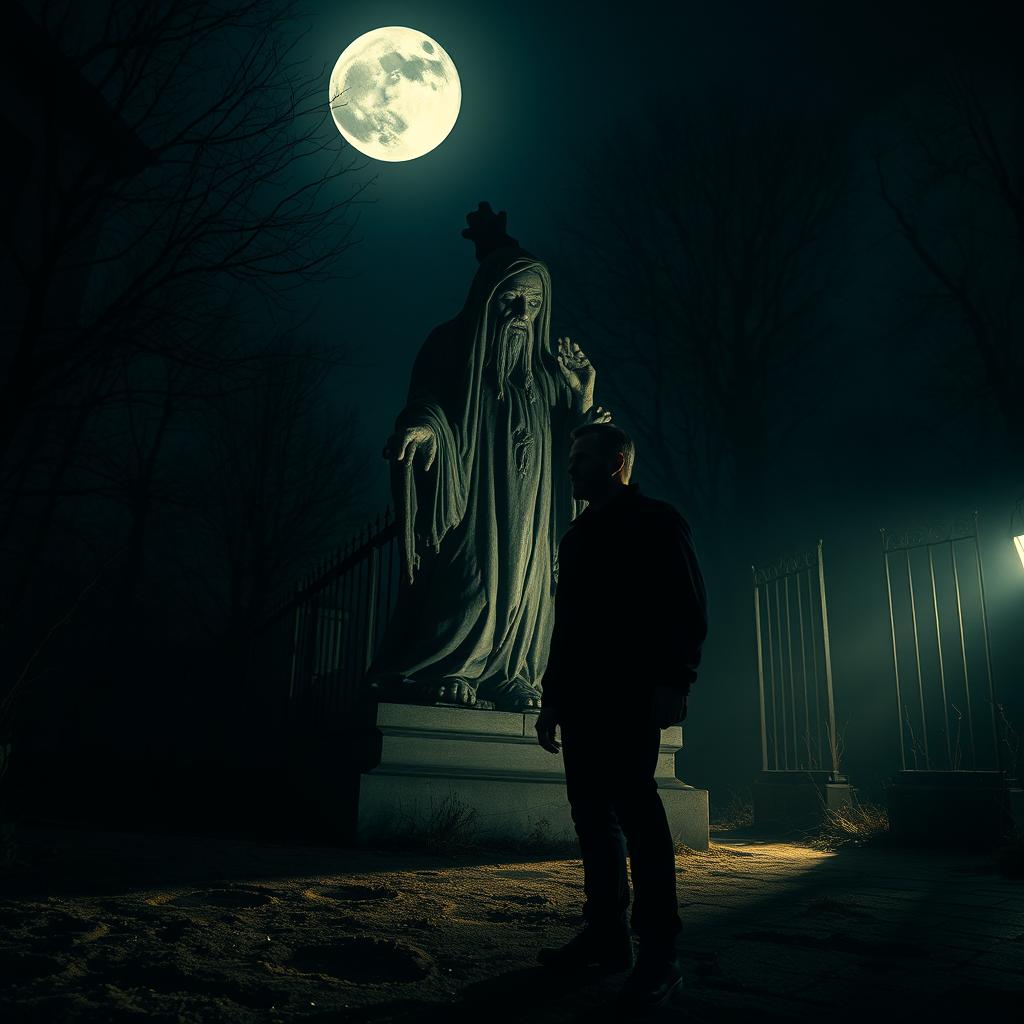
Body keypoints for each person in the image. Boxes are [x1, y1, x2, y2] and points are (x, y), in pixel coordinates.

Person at [368, 203, 609, 711]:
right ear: (488, 298)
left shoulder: (547, 377)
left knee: (526, 590)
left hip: (534, 517)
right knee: (471, 585)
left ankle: (514, 673)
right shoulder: (450, 348)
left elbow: (576, 456)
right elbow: (428, 404)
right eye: (513, 300)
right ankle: (453, 666)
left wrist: (582, 401)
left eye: (535, 304)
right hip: (475, 501)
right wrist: (424, 429)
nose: (524, 315)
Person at [534, 422, 708, 1010]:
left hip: (631, 693)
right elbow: (569, 625)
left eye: (581, 458)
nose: (571, 467)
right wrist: (552, 697)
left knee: (638, 815)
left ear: (617, 462)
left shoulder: (657, 520)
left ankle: (660, 953)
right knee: (592, 816)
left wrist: (675, 680)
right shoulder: (578, 534)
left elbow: (686, 605)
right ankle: (608, 936)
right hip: (583, 697)